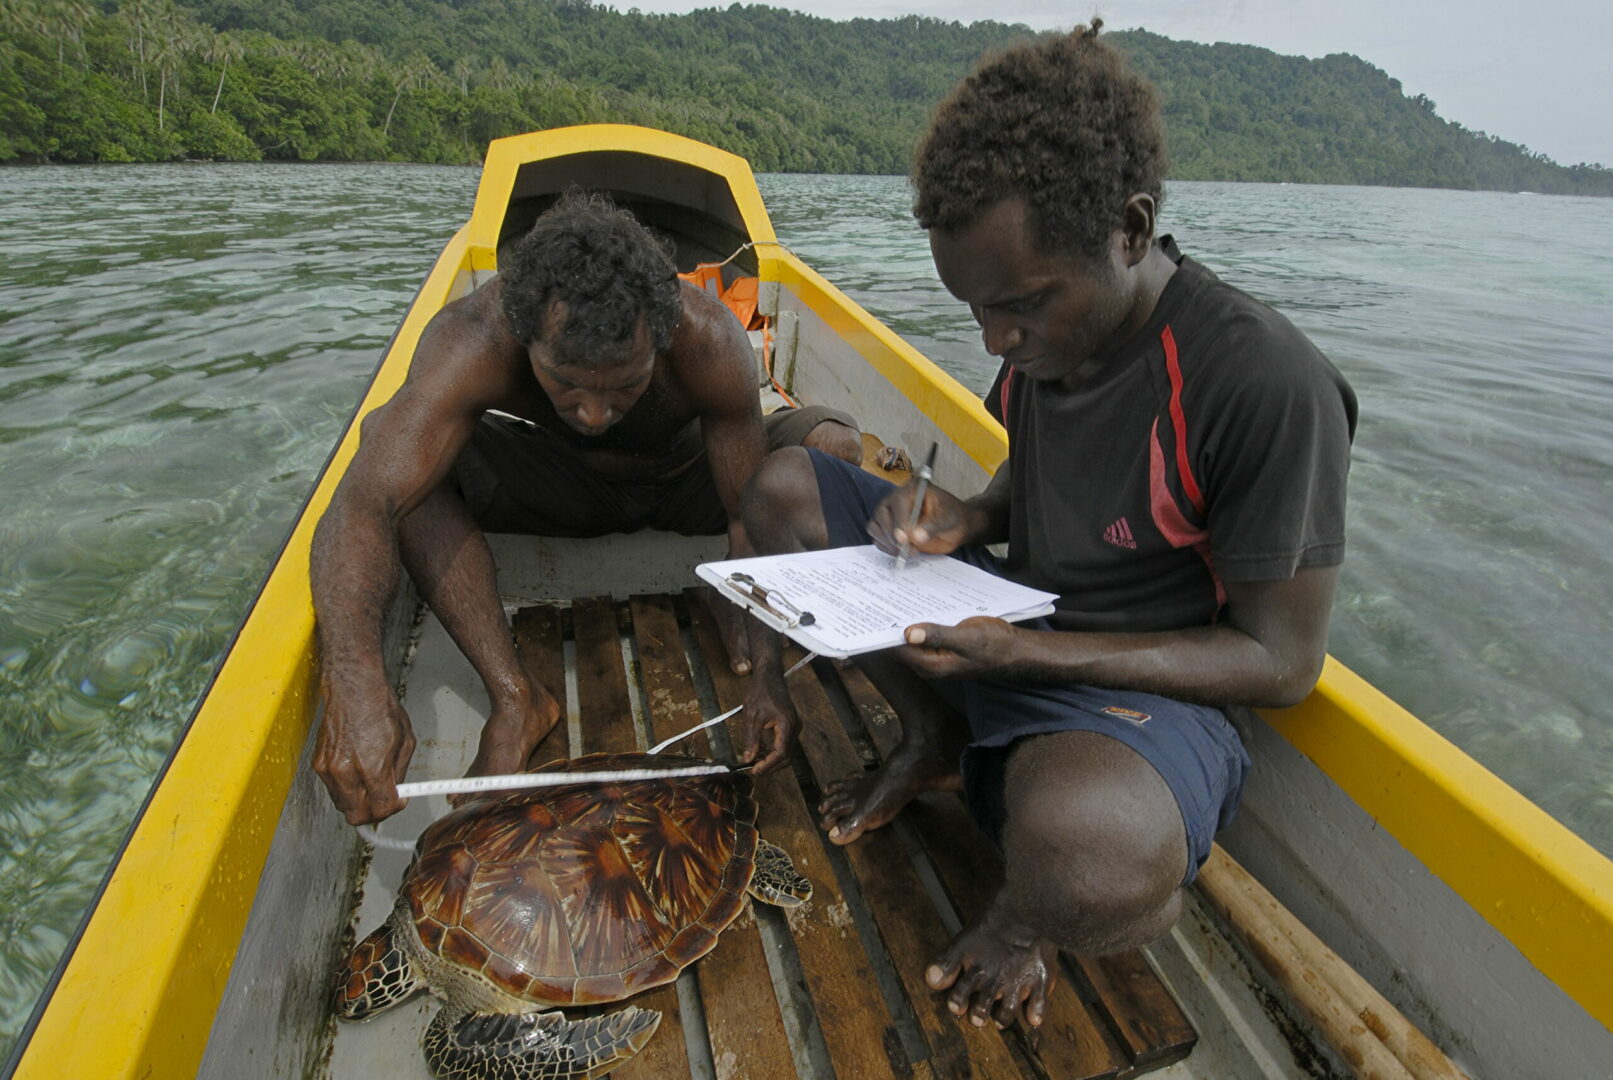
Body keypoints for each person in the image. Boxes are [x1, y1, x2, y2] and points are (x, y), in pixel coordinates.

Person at [737, 22, 1357, 1033]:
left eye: (1018, 306)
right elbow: (1029, 488)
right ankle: (935, 732)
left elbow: (1279, 664)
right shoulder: (1048, 331)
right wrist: (959, 516)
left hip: (1126, 698)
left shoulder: (1262, 383)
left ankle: (1027, 921)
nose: (995, 340)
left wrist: (1029, 653)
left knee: (1087, 855)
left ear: (1127, 227)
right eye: (974, 309)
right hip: (1004, 628)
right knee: (783, 493)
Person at [310, 190, 862, 827]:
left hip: (692, 481)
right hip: (559, 484)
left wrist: (767, 667)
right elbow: (363, 501)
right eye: (565, 383)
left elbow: (743, 515)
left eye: (627, 385)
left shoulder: (708, 338)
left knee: (835, 446)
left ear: (660, 337)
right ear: (525, 337)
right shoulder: (475, 337)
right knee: (386, 445)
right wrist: (353, 677)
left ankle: (722, 597)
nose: (595, 414)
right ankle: (517, 697)